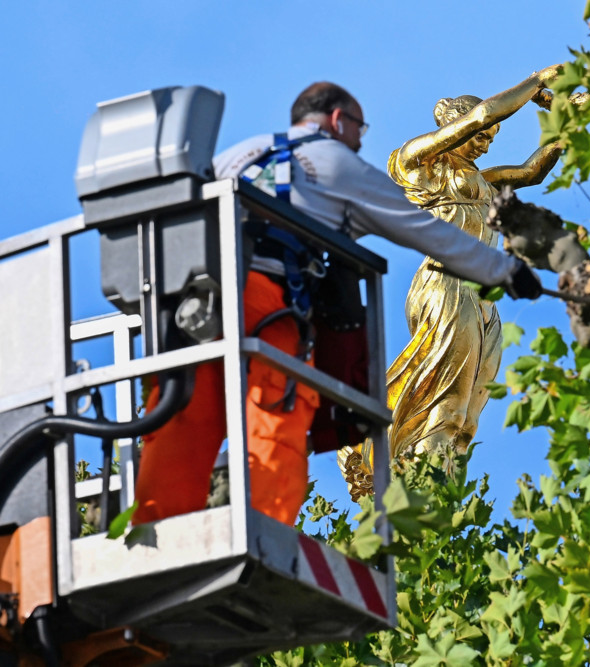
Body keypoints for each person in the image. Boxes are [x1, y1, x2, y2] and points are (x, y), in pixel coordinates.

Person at [131, 81, 542, 526]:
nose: (362, 139)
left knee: (183, 418)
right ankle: (260, 536)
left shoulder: (239, 154)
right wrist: (502, 270)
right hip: (269, 305)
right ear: (337, 120)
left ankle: (153, 532)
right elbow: (425, 231)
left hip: (194, 306)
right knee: (275, 426)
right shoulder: (340, 166)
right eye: (359, 127)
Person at [337, 67, 563, 498]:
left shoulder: (482, 179)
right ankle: (418, 483)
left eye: (491, 139)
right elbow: (480, 116)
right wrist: (536, 82)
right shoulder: (417, 162)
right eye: (482, 135)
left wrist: (571, 124)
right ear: (453, 126)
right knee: (444, 393)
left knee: (468, 406)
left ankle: (444, 484)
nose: (486, 141)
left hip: (483, 293)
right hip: (445, 281)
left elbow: (532, 171)